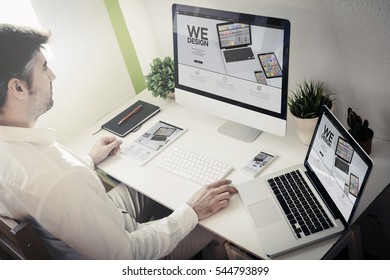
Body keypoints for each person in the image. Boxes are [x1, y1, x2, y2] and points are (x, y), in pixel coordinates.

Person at [0, 24, 237, 259]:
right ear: (18, 87)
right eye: (44, 68)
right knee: (219, 222)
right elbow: (129, 255)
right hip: (127, 255)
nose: (52, 75)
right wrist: (193, 211)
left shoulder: (16, 151)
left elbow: (57, 196)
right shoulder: (60, 180)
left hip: (99, 220)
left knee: (151, 179)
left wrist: (87, 161)